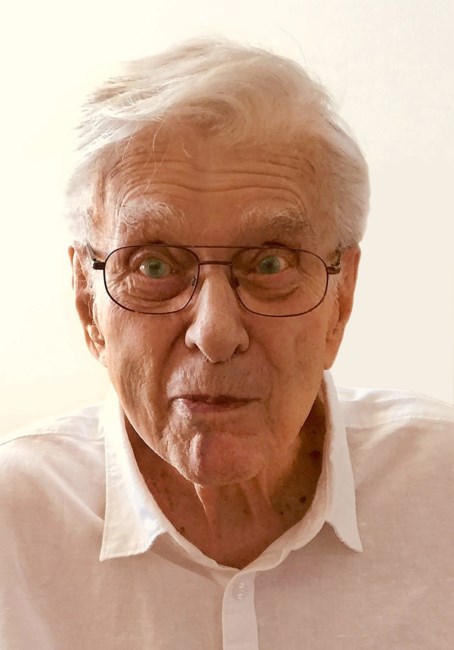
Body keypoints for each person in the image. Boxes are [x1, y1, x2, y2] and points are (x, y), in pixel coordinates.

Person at [1, 38, 453, 650]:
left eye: (271, 263)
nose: (214, 333)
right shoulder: (13, 525)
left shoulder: (442, 493)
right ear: (88, 303)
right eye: (153, 266)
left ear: (340, 300)